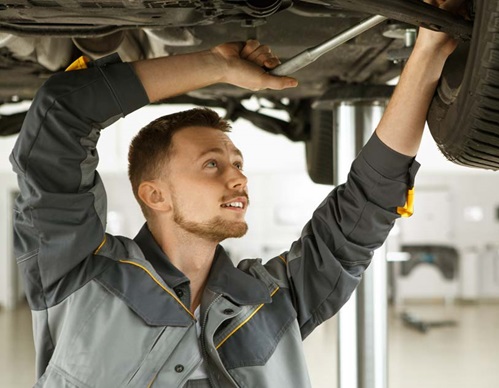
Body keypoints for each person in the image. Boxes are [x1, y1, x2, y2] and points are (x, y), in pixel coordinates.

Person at [10, 1, 464, 386]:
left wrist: (428, 49)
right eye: (213, 164)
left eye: (238, 165)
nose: (239, 179)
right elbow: (60, 115)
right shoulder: (77, 274)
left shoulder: (271, 300)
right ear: (155, 194)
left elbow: (370, 202)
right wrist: (217, 65)